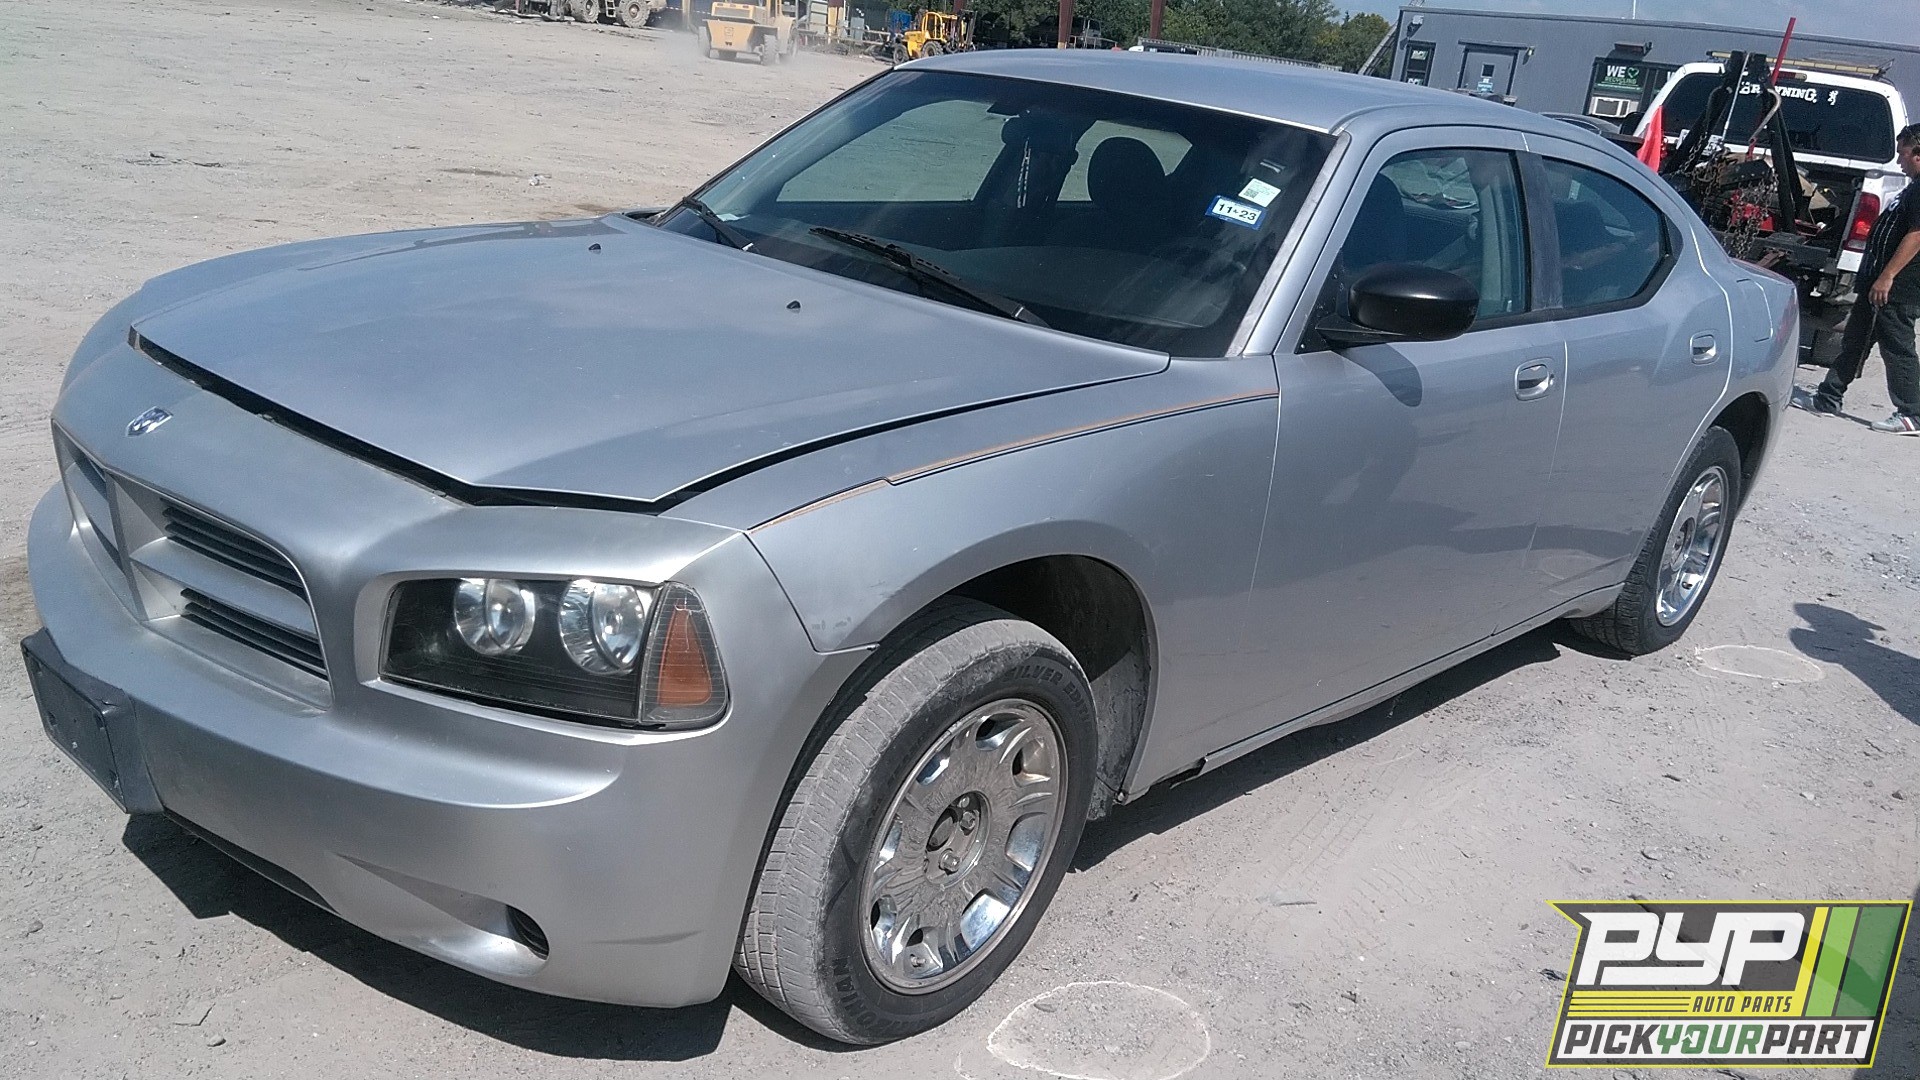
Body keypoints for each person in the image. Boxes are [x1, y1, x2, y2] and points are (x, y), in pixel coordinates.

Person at [1794, 124, 1920, 434]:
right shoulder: (1912, 187)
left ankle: (1912, 413)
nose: (1899, 161)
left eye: (1903, 154)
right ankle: (1828, 398)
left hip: (1898, 287)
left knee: (1897, 346)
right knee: (1856, 340)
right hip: (1876, 281)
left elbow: (1917, 235)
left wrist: (1887, 276)